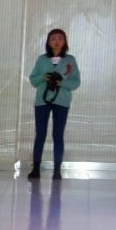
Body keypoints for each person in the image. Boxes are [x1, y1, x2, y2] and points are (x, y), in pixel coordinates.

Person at [27, 28, 78, 179]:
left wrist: (62, 83)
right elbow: (33, 80)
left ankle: (57, 170)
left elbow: (76, 82)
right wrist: (44, 77)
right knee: (40, 134)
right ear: (48, 42)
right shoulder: (42, 59)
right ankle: (36, 168)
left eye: (60, 38)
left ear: (65, 41)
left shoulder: (70, 60)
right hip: (42, 101)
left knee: (58, 135)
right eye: (53, 39)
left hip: (62, 101)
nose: (57, 41)